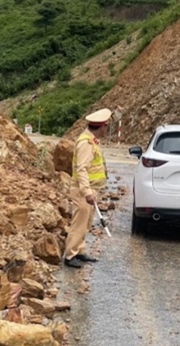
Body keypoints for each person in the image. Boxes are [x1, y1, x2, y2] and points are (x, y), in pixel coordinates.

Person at [63, 108, 112, 268]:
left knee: (86, 223)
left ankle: (79, 251)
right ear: (102, 126)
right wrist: (87, 192)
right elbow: (81, 169)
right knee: (79, 223)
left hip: (91, 189)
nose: (107, 129)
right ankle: (70, 255)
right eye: (106, 126)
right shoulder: (85, 143)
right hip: (83, 191)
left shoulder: (91, 141)